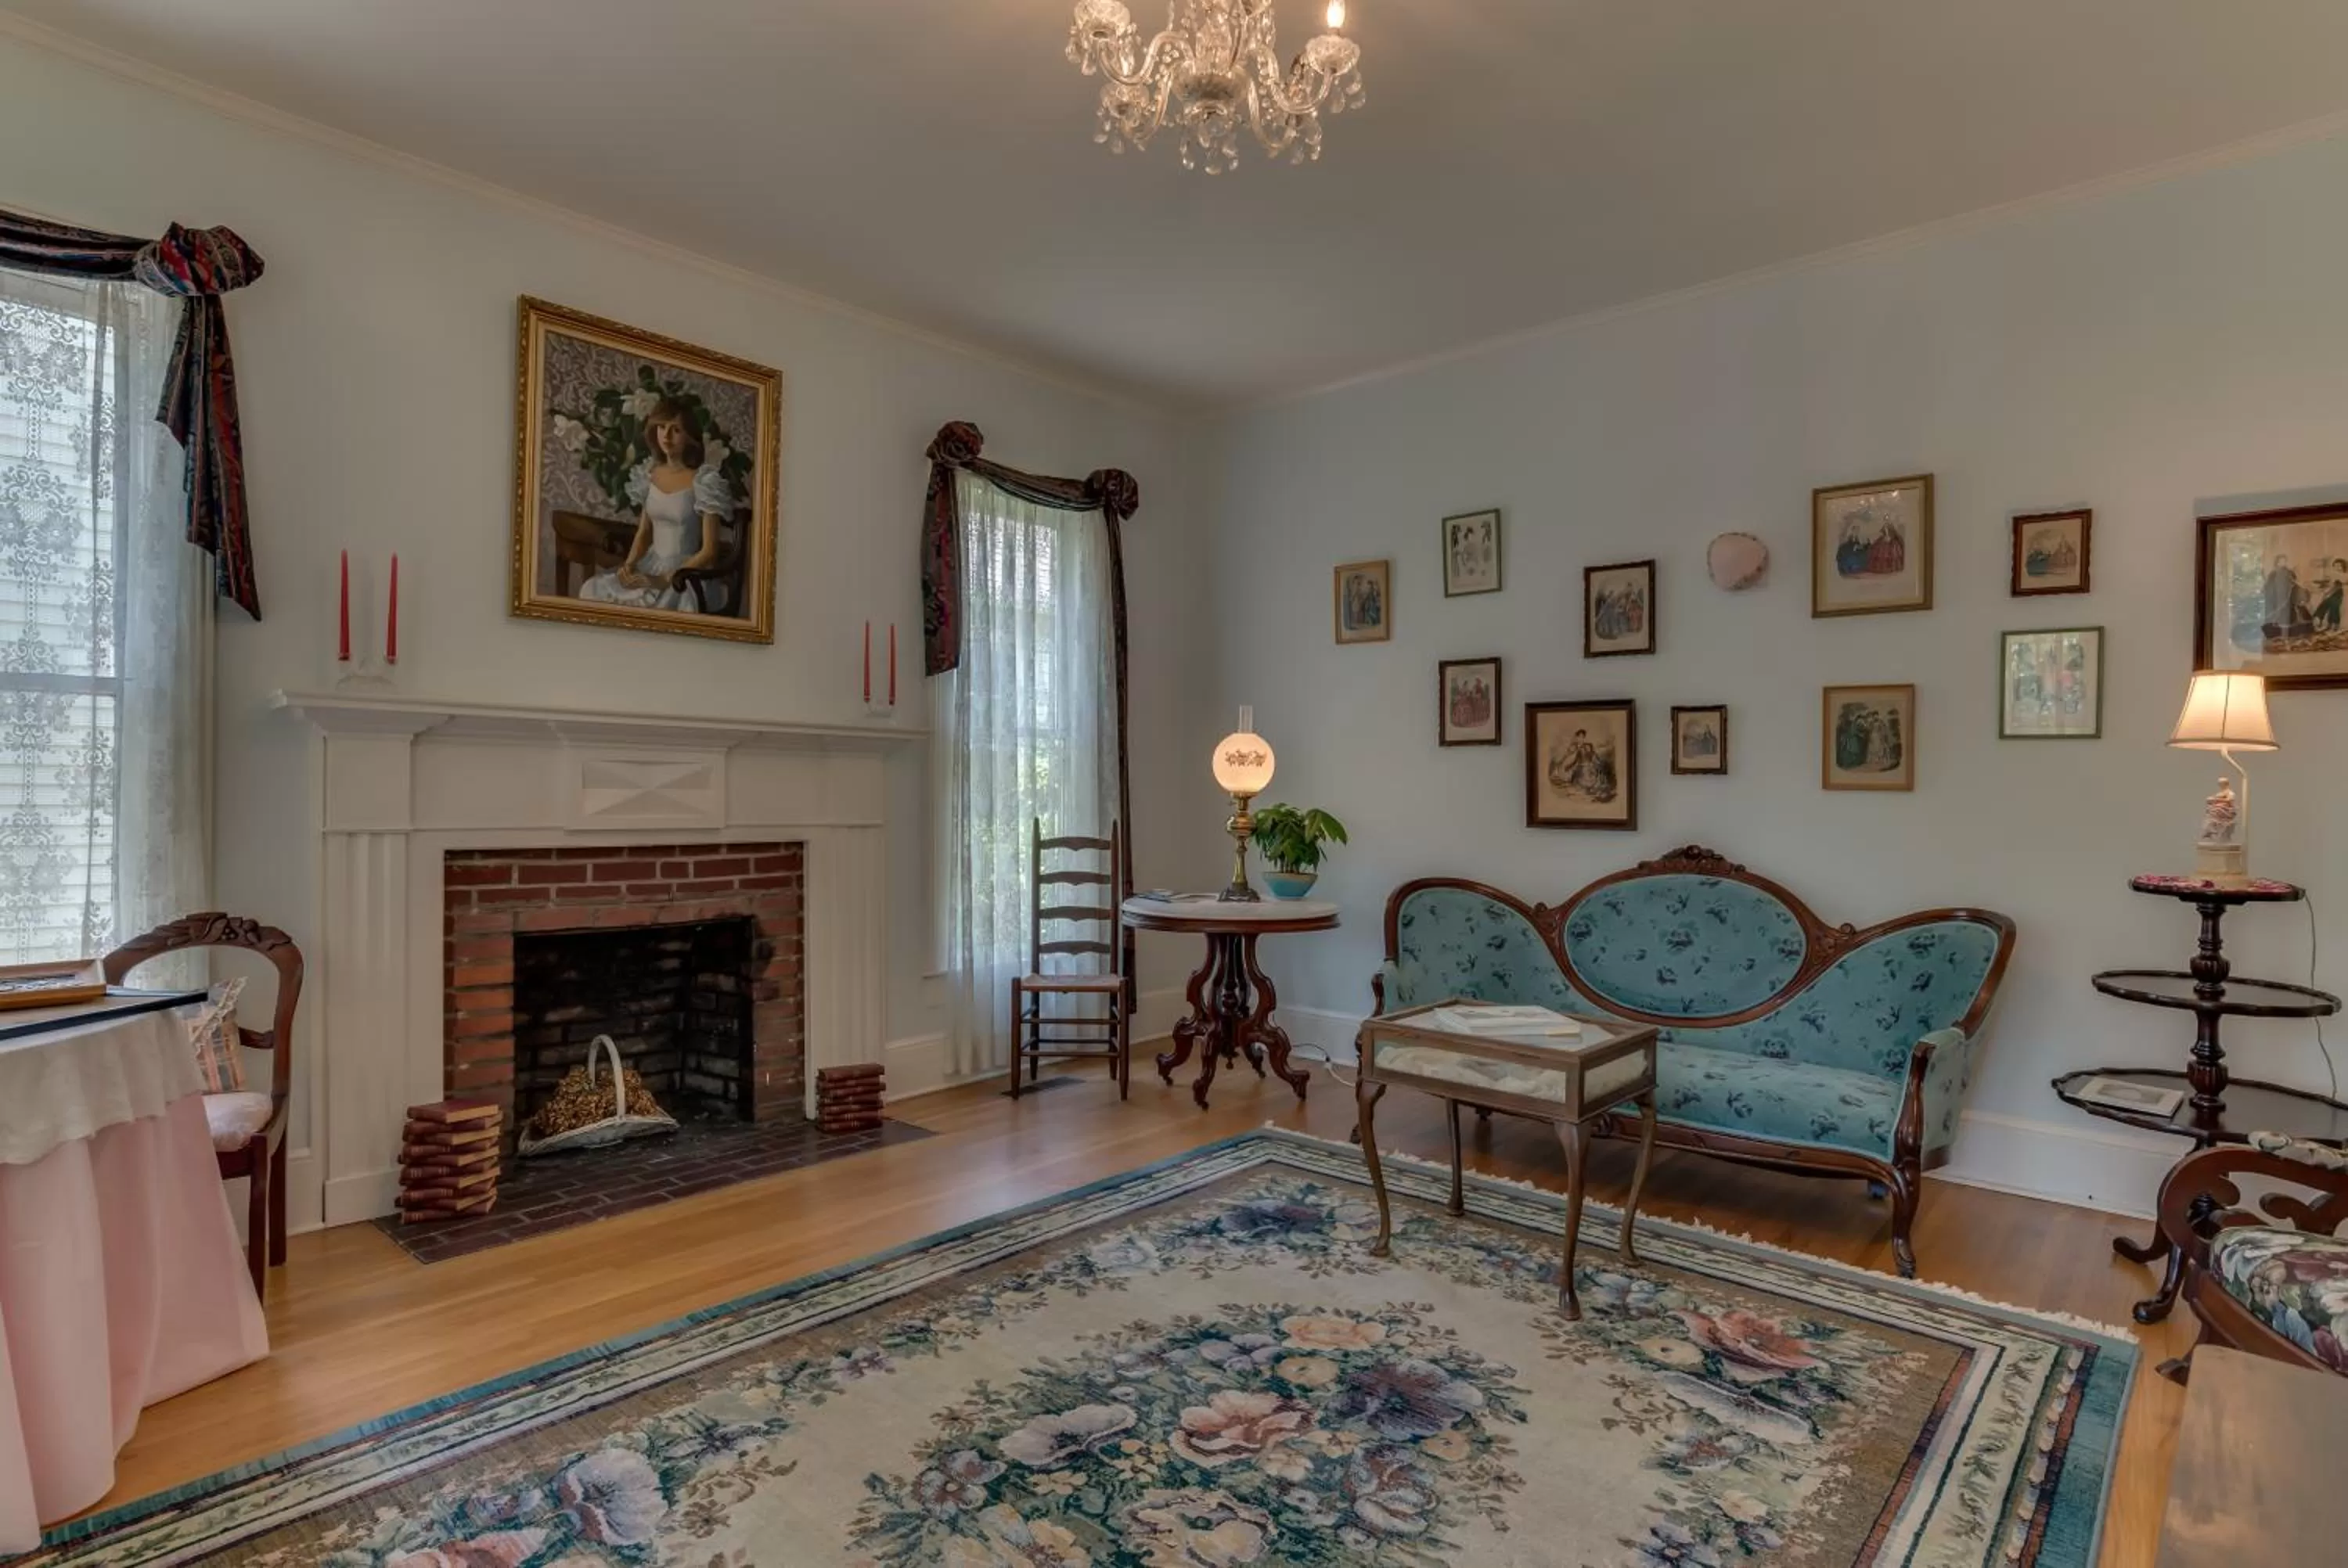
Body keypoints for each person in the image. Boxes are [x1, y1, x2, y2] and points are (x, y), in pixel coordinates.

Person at [578, 399, 733, 613]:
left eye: (676, 430)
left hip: (685, 574)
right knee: (593, 588)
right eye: (662, 427)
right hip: (650, 564)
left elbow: (709, 551)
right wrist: (630, 565)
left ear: (690, 437)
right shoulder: (650, 475)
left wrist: (666, 578)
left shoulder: (704, 481)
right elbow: (644, 532)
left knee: (661, 607)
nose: (666, 436)